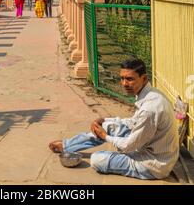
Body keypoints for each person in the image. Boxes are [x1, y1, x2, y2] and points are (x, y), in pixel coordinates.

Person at [49, 58, 179, 180]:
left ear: (143, 78)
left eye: (129, 79)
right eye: (122, 78)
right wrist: (106, 120)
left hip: (152, 164)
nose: (124, 84)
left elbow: (128, 146)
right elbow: (134, 122)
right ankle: (67, 146)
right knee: (107, 125)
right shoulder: (149, 94)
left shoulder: (150, 109)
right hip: (145, 145)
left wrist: (105, 137)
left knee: (97, 159)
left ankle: (111, 156)